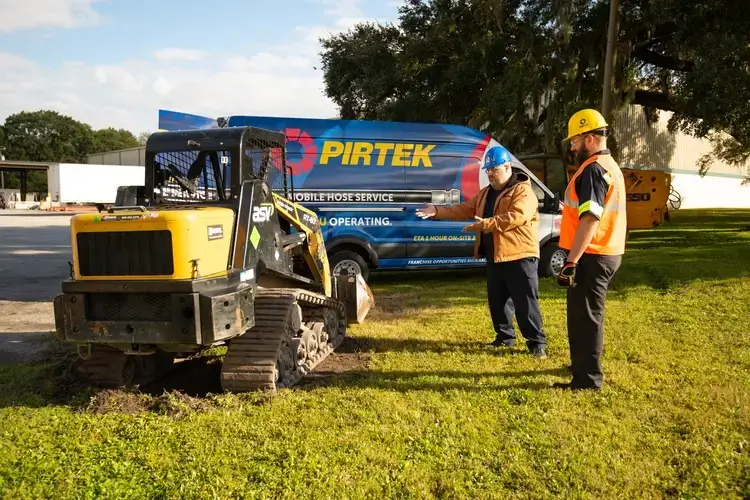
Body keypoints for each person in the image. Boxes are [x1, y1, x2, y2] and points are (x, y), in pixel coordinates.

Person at [416, 145, 548, 358]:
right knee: (497, 301)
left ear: (507, 167)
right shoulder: (486, 193)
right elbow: (465, 209)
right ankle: (505, 338)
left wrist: (487, 224)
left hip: (520, 256)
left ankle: (537, 344)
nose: (490, 174)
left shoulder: (523, 191)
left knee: (525, 302)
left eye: (493, 170)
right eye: (487, 171)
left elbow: (517, 217)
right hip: (496, 255)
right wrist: (437, 211)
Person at [553, 108, 627, 391]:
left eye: (574, 141)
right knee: (583, 315)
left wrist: (571, 260)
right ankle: (581, 365)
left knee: (586, 318)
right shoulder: (609, 166)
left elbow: (590, 218)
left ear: (589, 138)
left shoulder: (594, 170)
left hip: (592, 254)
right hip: (604, 251)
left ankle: (587, 380)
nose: (572, 147)